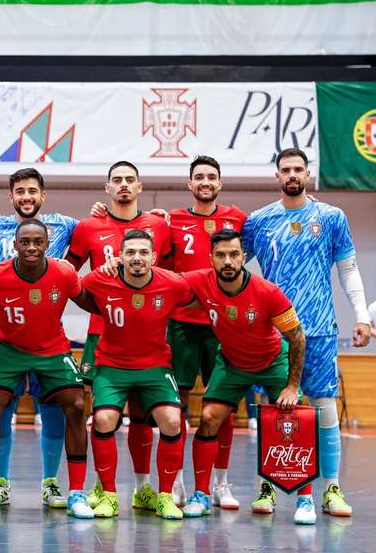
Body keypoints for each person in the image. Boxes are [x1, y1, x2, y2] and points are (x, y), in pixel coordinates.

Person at [242, 148, 371, 519]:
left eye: (298, 168)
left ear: (309, 173)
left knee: (324, 406)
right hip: (273, 331)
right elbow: (229, 264)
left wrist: (361, 315)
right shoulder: (259, 221)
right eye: (286, 169)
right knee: (273, 410)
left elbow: (348, 269)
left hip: (319, 328)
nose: (292, 174)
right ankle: (268, 485)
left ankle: (330, 490)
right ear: (276, 176)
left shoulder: (332, 217)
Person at [0, 219, 93, 519]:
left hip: (53, 349)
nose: (32, 247)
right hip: (8, 348)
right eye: (25, 242)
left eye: (38, 241)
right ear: (15, 245)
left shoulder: (64, 272)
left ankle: (76, 493)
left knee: (74, 403)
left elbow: (88, 300)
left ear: (48, 244)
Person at [178, 229, 310, 522]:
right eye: (221, 255)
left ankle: (304, 500)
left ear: (244, 257)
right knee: (210, 417)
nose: (228, 261)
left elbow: (297, 337)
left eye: (234, 254)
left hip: (272, 361)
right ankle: (201, 493)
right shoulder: (200, 280)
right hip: (232, 363)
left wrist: (292, 385)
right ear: (211, 258)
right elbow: (159, 280)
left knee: (296, 418)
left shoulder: (267, 292)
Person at [67, 161, 171, 512]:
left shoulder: (157, 224)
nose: (124, 185)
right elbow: (70, 277)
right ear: (107, 187)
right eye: (117, 180)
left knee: (144, 413)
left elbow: (169, 273)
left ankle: (143, 487)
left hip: (148, 336)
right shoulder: (88, 226)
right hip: (103, 335)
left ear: (139, 186)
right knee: (103, 414)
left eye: (130, 180)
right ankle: (103, 486)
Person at [0, 168, 77, 508]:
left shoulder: (64, 225)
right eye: (20, 191)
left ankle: (51, 483)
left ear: (42, 194)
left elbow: (104, 230)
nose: (26, 197)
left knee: (53, 409)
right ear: (11, 196)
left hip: (47, 336)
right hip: (3, 334)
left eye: (32, 191)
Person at [80, 229, 193, 520]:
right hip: (112, 365)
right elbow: (78, 292)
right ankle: (109, 495)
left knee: (171, 419)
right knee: (104, 419)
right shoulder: (100, 279)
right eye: (130, 252)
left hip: (155, 366)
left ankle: (165, 496)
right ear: (120, 257)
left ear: (154, 257)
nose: (137, 258)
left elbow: (197, 295)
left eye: (143, 252)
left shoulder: (172, 284)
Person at [159, 156, 247, 507]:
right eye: (199, 177)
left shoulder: (239, 218)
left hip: (223, 325)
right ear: (189, 184)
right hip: (182, 325)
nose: (205, 181)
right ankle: (178, 480)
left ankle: (220, 483)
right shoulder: (172, 221)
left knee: (222, 405)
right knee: (175, 404)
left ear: (220, 183)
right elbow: (157, 260)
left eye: (212, 176)